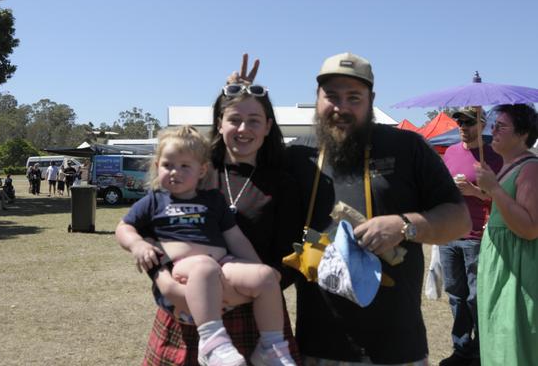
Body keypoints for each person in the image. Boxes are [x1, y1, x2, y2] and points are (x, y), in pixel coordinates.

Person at [234, 53, 471, 365]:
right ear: (317, 98)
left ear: (371, 99)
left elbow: (459, 220)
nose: (341, 107)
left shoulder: (407, 147)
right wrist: (240, 101)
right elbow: (232, 154)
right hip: (318, 347)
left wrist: (405, 225)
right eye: (331, 96)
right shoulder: (296, 156)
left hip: (397, 347)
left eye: (354, 97)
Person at [140, 78, 301, 366]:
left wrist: (234, 296)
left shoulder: (284, 184)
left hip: (256, 318)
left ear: (268, 126)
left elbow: (286, 260)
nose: (243, 129)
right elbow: (153, 233)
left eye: (254, 120)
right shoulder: (192, 171)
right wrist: (165, 285)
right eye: (235, 119)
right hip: (186, 312)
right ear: (220, 123)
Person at [437, 108, 502, 366]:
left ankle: (481, 349)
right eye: (459, 121)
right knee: (455, 295)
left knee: (477, 296)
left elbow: (499, 196)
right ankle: (461, 348)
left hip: (477, 235)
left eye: (468, 121)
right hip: (449, 233)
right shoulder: (451, 152)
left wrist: (474, 191)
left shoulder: (493, 156)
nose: (462, 126)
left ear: (482, 124)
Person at [475, 104, 538, 366]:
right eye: (493, 125)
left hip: (518, 268)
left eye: (501, 126)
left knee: (513, 338)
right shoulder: (507, 166)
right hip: (501, 264)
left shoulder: (531, 168)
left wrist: (495, 190)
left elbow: (531, 228)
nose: (493, 130)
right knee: (496, 335)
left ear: (523, 134)